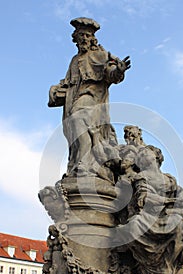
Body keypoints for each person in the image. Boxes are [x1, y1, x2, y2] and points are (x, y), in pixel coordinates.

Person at [48, 17, 130, 175]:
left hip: (91, 99)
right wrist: (56, 89)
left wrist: (119, 71)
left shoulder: (100, 55)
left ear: (93, 38)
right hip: (72, 101)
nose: (84, 39)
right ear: (75, 38)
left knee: (79, 121)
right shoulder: (74, 60)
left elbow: (110, 73)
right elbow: (68, 82)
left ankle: (84, 163)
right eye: (81, 35)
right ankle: (78, 163)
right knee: (74, 133)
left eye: (87, 36)